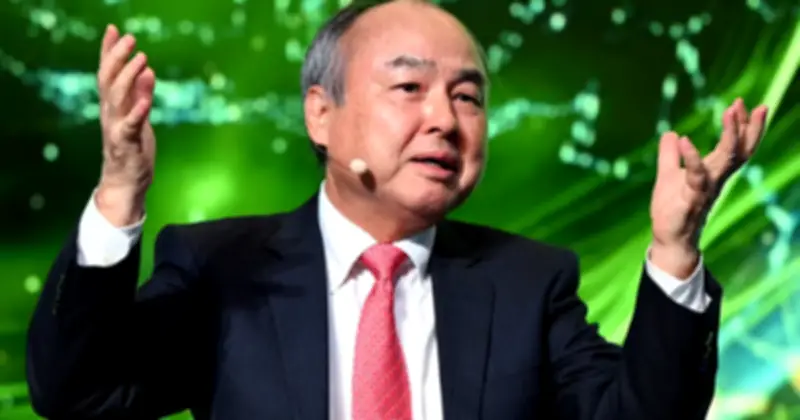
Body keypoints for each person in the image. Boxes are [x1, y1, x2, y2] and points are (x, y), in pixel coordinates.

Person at [26, 0, 768, 419]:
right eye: (409, 89)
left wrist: (677, 248)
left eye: (468, 97)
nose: (444, 120)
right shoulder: (224, 269)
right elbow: (79, 393)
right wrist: (120, 191)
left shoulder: (527, 283)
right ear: (321, 114)